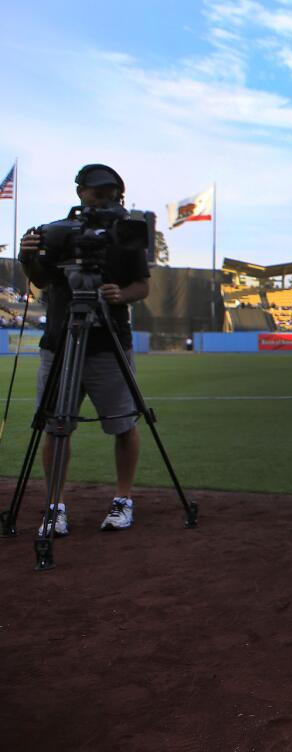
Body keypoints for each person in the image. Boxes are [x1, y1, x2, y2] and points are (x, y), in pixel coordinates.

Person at [18, 164, 151, 536]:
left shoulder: (126, 235)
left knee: (124, 424)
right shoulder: (58, 232)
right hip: (61, 341)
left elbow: (142, 285)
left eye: (111, 192)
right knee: (56, 427)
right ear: (80, 192)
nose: (104, 197)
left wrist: (120, 295)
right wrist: (28, 256)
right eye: (97, 191)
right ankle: (54, 506)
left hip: (109, 343)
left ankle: (123, 499)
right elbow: (42, 280)